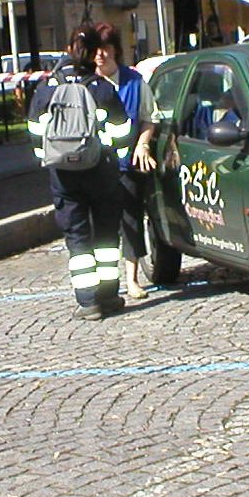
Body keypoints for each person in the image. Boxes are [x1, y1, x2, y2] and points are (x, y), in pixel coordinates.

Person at [26, 24, 133, 320]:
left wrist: (47, 159)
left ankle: (88, 303)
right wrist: (114, 156)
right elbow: (122, 131)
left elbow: (35, 130)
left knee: (77, 237)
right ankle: (109, 295)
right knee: (107, 236)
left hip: (63, 175)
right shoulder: (101, 88)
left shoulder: (47, 88)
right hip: (101, 172)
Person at [93, 22, 157, 302]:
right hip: (95, 168)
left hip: (127, 166)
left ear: (115, 51)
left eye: (106, 49)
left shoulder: (134, 81)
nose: (101, 55)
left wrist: (143, 144)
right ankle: (106, 284)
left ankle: (132, 280)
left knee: (131, 221)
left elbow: (149, 118)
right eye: (96, 49)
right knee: (102, 226)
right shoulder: (85, 85)